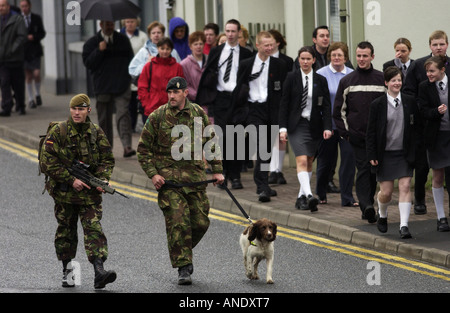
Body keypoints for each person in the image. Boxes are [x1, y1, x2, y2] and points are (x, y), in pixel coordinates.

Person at [137, 77, 224, 285]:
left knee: (201, 222)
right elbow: (143, 150)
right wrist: (153, 174)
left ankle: (181, 250)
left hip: (195, 180)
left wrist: (218, 170)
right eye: (169, 93)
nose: (172, 96)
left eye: (176, 93)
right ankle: (183, 266)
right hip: (169, 183)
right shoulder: (158, 116)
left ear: (186, 93)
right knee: (178, 221)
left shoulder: (198, 114)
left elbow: (210, 142)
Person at [39, 94, 117, 289]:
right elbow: (46, 162)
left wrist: (103, 179)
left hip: (89, 194)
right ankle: (68, 272)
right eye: (74, 109)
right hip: (65, 194)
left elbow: (107, 159)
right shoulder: (59, 132)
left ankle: (99, 271)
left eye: (81, 109)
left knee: (94, 229)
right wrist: (71, 179)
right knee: (66, 232)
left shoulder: (96, 132)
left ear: (88, 111)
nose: (76, 112)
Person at [196, 19, 253, 190]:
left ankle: (235, 177)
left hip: (239, 100)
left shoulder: (246, 53)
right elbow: (209, 73)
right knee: (224, 139)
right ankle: (225, 174)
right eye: (227, 31)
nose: (230, 34)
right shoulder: (216, 51)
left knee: (237, 139)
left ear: (238, 33)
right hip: (220, 99)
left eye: (233, 31)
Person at [231, 31, 288, 202]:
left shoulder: (280, 64)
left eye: (272, 45)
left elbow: (283, 91)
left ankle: (263, 183)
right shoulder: (246, 64)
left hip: (271, 109)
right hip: (252, 109)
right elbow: (238, 88)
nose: (270, 48)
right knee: (262, 143)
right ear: (258, 45)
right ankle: (262, 185)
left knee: (267, 149)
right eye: (266, 45)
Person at [333, 41, 385, 223]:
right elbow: (339, 112)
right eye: (359, 56)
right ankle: (367, 206)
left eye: (365, 56)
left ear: (372, 57)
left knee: (374, 171)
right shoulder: (347, 81)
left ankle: (368, 206)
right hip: (357, 137)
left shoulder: (381, 79)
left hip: (379, 138)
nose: (361, 59)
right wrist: (347, 134)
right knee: (363, 169)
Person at [366, 66, 419, 239]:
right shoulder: (377, 104)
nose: (397, 83)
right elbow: (371, 132)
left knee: (405, 186)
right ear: (386, 83)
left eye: (399, 80)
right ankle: (382, 214)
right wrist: (372, 155)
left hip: (404, 153)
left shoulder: (410, 101)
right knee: (386, 192)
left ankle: (404, 225)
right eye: (393, 80)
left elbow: (416, 128)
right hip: (385, 154)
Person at [279, 46, 332, 212]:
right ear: (298, 60)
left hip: (314, 125)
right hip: (296, 125)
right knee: (301, 160)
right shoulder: (291, 77)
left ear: (314, 60)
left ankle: (301, 198)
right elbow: (284, 104)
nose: (305, 62)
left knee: (309, 161)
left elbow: (326, 106)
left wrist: (327, 127)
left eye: (308, 59)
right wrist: (282, 128)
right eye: (302, 58)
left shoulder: (320, 80)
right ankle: (309, 195)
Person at [403, 30, 450, 215]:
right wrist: (424, 111)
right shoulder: (418, 65)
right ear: (430, 46)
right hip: (425, 125)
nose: (439, 48)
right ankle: (420, 200)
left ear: (446, 45)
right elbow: (409, 93)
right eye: (435, 44)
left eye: (442, 44)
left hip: (446, 126)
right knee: (423, 166)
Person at [82, 20, 136, 158]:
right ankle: (106, 148)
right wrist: (98, 51)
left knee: (123, 114)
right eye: (107, 25)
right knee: (104, 118)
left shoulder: (122, 40)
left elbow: (131, 59)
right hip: (103, 86)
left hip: (122, 85)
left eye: (111, 24)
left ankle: (127, 146)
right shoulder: (92, 43)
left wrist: (129, 77)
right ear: (101, 25)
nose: (110, 27)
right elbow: (88, 63)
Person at [316, 42, 357, 207]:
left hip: (346, 126)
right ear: (329, 57)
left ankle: (347, 197)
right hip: (327, 125)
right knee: (325, 162)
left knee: (348, 161)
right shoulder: (321, 73)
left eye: (340, 55)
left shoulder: (353, 75)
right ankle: (320, 194)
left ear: (345, 57)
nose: (336, 58)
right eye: (333, 55)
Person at [418, 55, 450, 232]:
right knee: (438, 176)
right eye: (427, 71)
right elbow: (422, 111)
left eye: (432, 71)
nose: (428, 74)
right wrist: (436, 112)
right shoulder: (424, 87)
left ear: (442, 70)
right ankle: (441, 217)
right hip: (436, 137)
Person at [267, 29, 293, 186]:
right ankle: (270, 170)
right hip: (264, 104)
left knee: (280, 138)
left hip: (281, 102)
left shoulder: (287, 61)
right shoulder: (258, 60)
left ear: (278, 43)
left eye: (271, 42)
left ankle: (278, 170)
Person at [137, 37, 184, 123]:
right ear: (157, 48)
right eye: (162, 48)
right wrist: (147, 104)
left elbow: (181, 88)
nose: (165, 51)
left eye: (167, 49)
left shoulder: (177, 67)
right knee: (152, 135)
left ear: (171, 50)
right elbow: (142, 87)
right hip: (152, 108)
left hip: (172, 109)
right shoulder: (149, 66)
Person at [0, 0, 27, 117]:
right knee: (4, 83)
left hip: (15, 59)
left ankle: (21, 105)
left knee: (18, 84)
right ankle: (6, 107)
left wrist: (12, 49)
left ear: (8, 6)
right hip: (3, 60)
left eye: (2, 5)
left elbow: (22, 36)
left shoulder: (17, 19)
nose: (0, 8)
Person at [120, 17, 148, 133]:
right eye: (127, 21)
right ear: (124, 23)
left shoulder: (142, 36)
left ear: (137, 23)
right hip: (124, 73)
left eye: (132, 22)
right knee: (128, 103)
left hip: (138, 73)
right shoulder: (119, 35)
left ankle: (143, 126)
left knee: (140, 101)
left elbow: (146, 52)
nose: (130, 24)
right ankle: (130, 127)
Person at [19, 0, 46, 109]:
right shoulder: (18, 19)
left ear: (29, 6)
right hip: (24, 51)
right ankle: (30, 99)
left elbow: (42, 33)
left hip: (35, 51)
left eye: (25, 6)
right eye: (22, 6)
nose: (24, 8)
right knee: (28, 76)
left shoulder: (36, 18)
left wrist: (34, 37)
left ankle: (38, 94)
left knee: (36, 73)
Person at [180, 31, 207, 104]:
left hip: (209, 103)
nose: (198, 46)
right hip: (192, 103)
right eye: (195, 44)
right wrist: (198, 95)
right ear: (190, 46)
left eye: (201, 44)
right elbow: (184, 84)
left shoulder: (209, 61)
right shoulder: (184, 64)